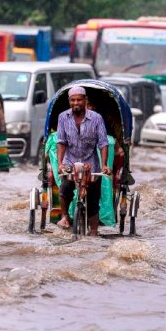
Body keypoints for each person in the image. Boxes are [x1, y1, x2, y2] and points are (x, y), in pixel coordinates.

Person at [56, 86, 111, 235]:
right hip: (70, 162)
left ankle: (93, 232)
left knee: (93, 201)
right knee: (65, 190)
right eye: (73, 100)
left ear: (85, 101)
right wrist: (60, 164)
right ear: (69, 102)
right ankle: (65, 216)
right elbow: (61, 142)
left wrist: (105, 164)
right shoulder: (63, 117)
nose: (76, 103)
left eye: (79, 99)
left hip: (91, 163)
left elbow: (103, 143)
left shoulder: (96, 118)